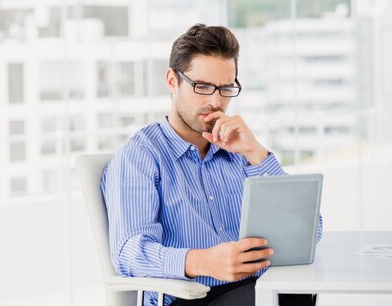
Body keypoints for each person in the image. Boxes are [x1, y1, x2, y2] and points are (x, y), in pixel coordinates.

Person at [101, 24, 322, 306]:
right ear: (172, 81)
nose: (216, 101)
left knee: (299, 291)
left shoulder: (239, 150)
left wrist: (256, 153)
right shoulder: (141, 156)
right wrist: (203, 261)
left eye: (226, 88)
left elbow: (309, 230)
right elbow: (129, 254)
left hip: (255, 289)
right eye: (202, 86)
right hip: (191, 298)